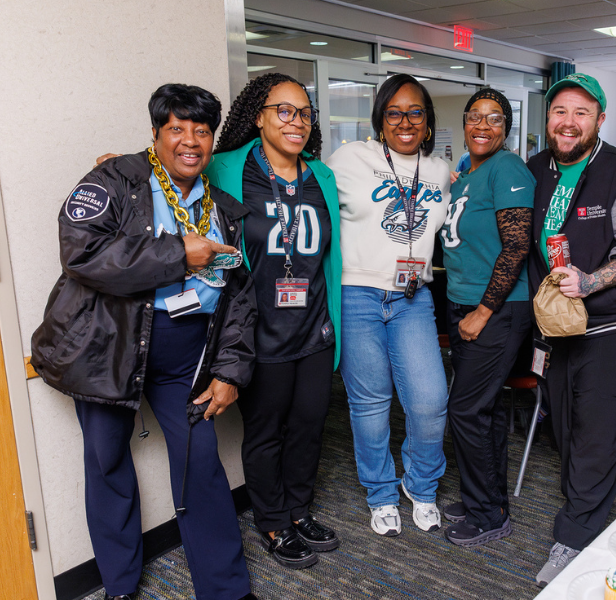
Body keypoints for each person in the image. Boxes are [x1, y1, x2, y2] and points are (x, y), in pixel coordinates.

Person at [31, 84, 257, 600]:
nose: (190, 141)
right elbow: (83, 256)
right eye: (176, 128)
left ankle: (226, 589)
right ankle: (120, 586)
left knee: (200, 462)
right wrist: (178, 252)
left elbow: (239, 297)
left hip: (187, 353)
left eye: (202, 130)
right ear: (155, 134)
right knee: (107, 463)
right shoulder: (113, 181)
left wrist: (229, 371)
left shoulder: (221, 207)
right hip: (108, 347)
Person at [205, 73, 342, 569]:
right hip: (257, 334)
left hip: (314, 330)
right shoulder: (225, 169)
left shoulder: (319, 176)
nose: (296, 121)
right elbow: (167, 167)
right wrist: (121, 167)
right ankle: (272, 520)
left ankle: (299, 510)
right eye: (283, 110)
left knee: (309, 426)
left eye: (303, 113)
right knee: (265, 432)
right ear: (258, 116)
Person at [525, 73, 616, 587]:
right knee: (565, 427)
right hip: (555, 330)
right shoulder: (534, 170)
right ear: (548, 118)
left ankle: (573, 539)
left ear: (600, 119)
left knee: (600, 432)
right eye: (560, 111)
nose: (569, 122)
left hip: (611, 325)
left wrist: (591, 280)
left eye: (581, 113)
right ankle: (583, 509)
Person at [325, 74, 451, 536]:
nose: (405, 121)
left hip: (414, 298)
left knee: (429, 400)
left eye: (415, 112)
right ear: (380, 120)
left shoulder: (440, 171)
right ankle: (380, 493)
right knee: (370, 403)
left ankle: (421, 485)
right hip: (358, 295)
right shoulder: (348, 159)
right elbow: (293, 181)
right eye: (394, 112)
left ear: (428, 122)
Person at [439, 88, 535, 548]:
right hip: (463, 303)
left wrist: (483, 310)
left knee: (465, 409)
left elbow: (516, 248)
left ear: (507, 127)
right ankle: (490, 498)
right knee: (487, 408)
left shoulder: (508, 168)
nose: (482, 126)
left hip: (496, 309)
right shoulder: (465, 174)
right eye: (474, 117)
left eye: (494, 118)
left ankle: (487, 515)